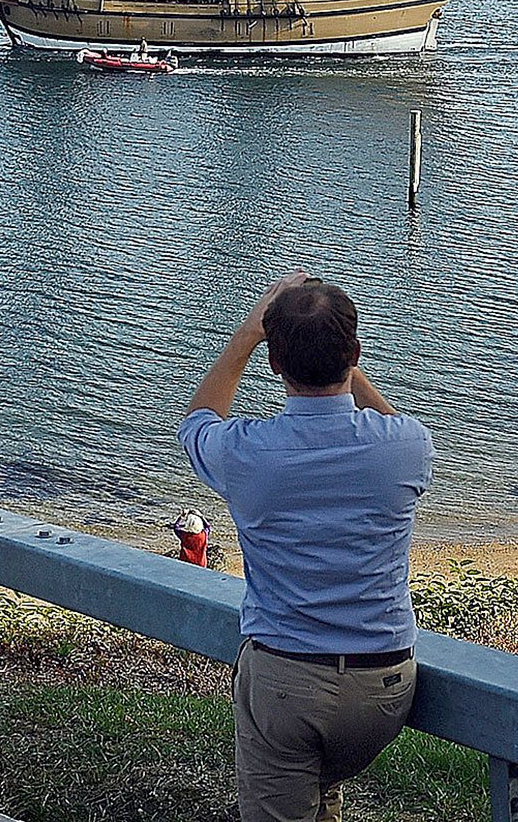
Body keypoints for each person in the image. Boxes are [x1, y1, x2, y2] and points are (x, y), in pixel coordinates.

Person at [179, 273, 434, 822]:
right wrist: (342, 363)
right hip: (384, 686)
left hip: (288, 684)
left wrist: (247, 335)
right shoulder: (406, 447)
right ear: (356, 352)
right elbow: (397, 424)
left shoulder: (248, 452)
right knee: (323, 793)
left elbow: (197, 421)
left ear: (274, 365)